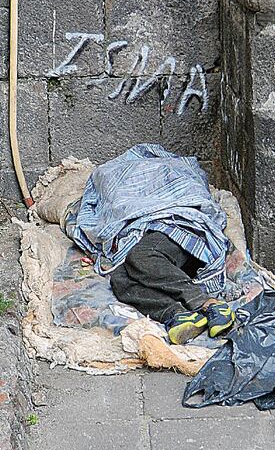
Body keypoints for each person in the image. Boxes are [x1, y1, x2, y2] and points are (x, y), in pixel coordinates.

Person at [61, 144, 238, 345]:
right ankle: (176, 314)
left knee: (142, 256)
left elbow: (184, 188)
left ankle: (208, 303)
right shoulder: (109, 174)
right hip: (152, 245)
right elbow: (110, 205)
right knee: (120, 279)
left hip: (177, 226)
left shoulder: (165, 168)